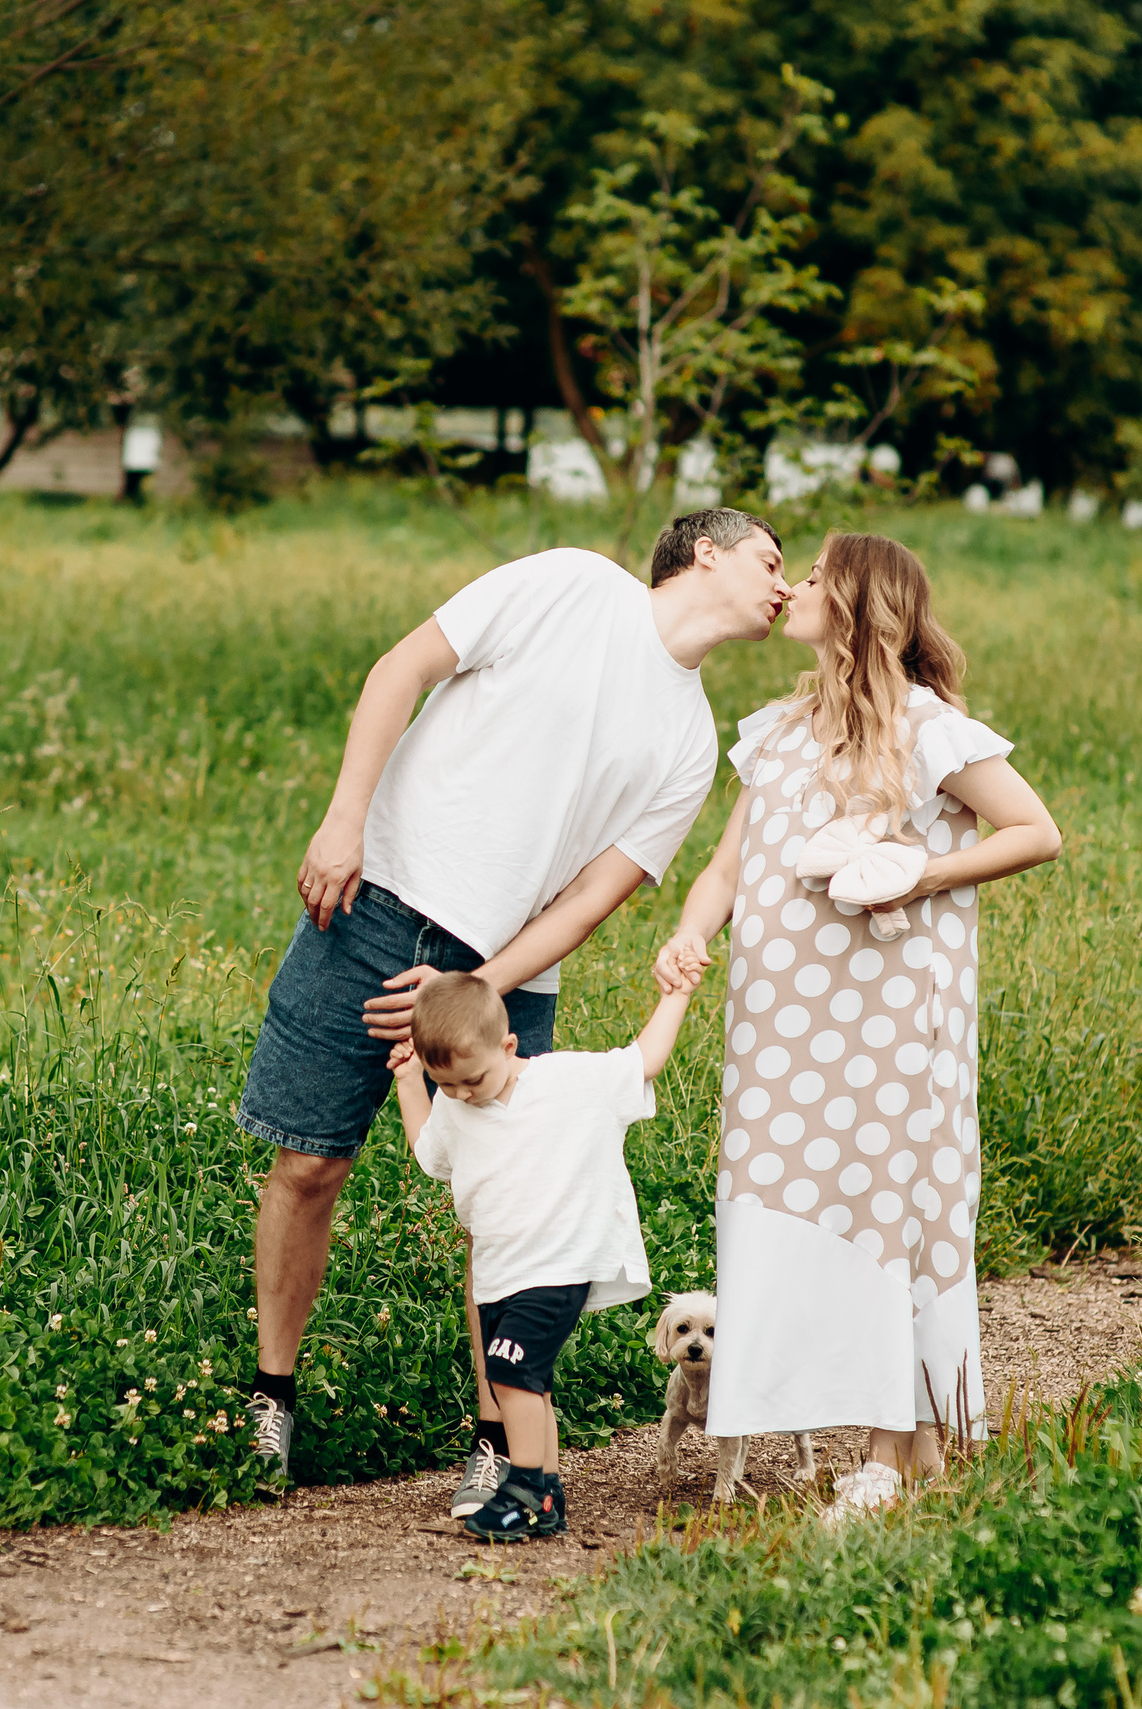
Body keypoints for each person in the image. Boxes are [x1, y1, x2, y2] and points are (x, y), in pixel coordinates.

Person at [234, 510, 792, 1506]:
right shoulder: (572, 584)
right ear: (703, 552)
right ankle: (269, 1398)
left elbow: (592, 895)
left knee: (504, 1204)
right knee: (308, 1158)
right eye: (769, 559)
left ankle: (498, 1435)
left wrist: (480, 984)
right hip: (374, 901)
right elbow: (398, 669)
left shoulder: (692, 741)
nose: (784, 583)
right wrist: (342, 817)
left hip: (510, 970)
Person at [654, 532, 1061, 1520]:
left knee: (888, 1211)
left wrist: (917, 870)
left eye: (814, 572)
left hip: (885, 1025)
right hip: (777, 1029)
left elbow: (1033, 830)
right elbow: (726, 866)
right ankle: (904, 1441)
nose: (790, 585)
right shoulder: (779, 731)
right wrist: (690, 931)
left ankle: (885, 1449)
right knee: (776, 1214)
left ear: (855, 601)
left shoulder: (929, 729)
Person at [389, 967, 698, 1540]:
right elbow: (430, 1156)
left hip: (559, 1265)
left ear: (507, 1046)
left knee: (508, 1372)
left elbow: (644, 1061)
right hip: (499, 1276)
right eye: (446, 1084)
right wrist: (412, 1082)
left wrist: (675, 995)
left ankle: (527, 1489)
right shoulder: (455, 1106)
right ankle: (547, 1492)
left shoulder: (570, 1081)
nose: (459, 1095)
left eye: (471, 1080)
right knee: (527, 1381)